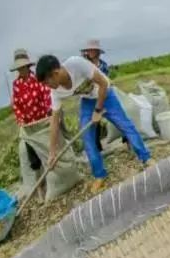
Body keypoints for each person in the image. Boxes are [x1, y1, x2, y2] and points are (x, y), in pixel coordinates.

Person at [36, 54, 154, 193]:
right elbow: (55, 122)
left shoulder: (77, 64)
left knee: (125, 125)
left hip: (106, 93)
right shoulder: (55, 92)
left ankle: (145, 157)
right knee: (88, 138)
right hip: (87, 101)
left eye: (46, 82)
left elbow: (103, 83)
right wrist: (52, 152)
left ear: (55, 74)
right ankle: (99, 175)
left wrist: (98, 110)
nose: (46, 86)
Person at [9, 48, 52, 172]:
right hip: (29, 124)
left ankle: (50, 169)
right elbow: (17, 104)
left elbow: (46, 94)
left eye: (23, 67)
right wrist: (21, 119)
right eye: (19, 68)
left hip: (42, 120)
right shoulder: (16, 84)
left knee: (46, 147)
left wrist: (48, 111)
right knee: (33, 154)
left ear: (28, 66)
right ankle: (39, 176)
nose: (22, 70)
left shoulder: (37, 79)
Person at [81, 39, 121, 151]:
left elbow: (106, 80)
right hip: (89, 98)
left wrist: (109, 83)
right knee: (94, 122)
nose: (90, 52)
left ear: (97, 51)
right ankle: (97, 147)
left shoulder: (103, 65)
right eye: (89, 50)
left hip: (103, 95)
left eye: (93, 50)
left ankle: (126, 139)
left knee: (116, 117)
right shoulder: (84, 65)